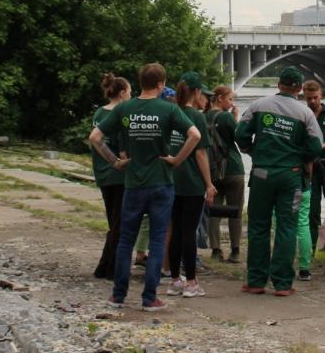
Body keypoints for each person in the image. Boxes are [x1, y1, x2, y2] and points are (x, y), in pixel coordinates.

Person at [97, 63, 202, 312]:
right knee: (156, 240)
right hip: (161, 183)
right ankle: (149, 298)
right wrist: (177, 160)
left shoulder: (125, 108)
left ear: (140, 82)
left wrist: (115, 162)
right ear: (161, 84)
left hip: (133, 183)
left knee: (126, 240)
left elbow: (95, 138)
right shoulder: (168, 109)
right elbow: (195, 135)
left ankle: (118, 296)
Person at [236, 65, 323, 296]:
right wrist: (301, 160)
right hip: (290, 176)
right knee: (287, 227)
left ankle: (256, 281)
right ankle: (283, 283)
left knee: (258, 226)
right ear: (300, 89)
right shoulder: (305, 114)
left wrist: (253, 152)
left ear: (278, 84)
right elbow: (316, 146)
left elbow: (240, 134)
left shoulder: (258, 105)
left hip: (261, 173)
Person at [166, 71, 218, 298]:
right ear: (196, 92)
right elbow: (201, 154)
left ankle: (174, 280)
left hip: (171, 180)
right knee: (189, 232)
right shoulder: (197, 117)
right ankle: (192, 283)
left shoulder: (170, 112)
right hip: (192, 182)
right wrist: (209, 184)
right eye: (201, 93)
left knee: (176, 230)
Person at [87, 73, 132, 279]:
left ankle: (104, 266)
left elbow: (97, 141)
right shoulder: (121, 114)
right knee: (120, 223)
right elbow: (123, 149)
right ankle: (112, 268)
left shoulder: (99, 112)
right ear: (122, 93)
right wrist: (117, 161)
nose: (131, 96)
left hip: (102, 173)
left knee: (114, 221)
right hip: (118, 175)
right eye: (130, 92)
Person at [298, 79, 325, 281]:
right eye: (309, 98)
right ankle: (315, 246)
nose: (312, 101)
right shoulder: (301, 114)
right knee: (311, 210)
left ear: (321, 95)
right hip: (309, 168)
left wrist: (320, 147)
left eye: (315, 98)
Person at [206, 86, 245, 263]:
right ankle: (235, 251)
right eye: (230, 99)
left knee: (214, 211)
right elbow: (238, 138)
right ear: (220, 98)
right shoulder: (227, 117)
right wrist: (235, 118)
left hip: (212, 170)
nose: (232, 103)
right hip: (232, 168)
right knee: (235, 210)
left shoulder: (203, 116)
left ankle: (216, 250)